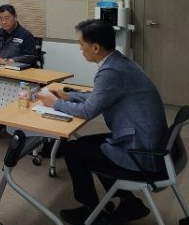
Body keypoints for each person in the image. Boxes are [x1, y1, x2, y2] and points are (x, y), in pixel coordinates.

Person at [39, 19, 166, 225]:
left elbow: (88, 111)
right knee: (87, 146)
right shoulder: (119, 62)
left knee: (73, 151)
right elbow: (99, 97)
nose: (80, 48)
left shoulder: (111, 72)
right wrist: (69, 96)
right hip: (145, 141)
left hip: (140, 151)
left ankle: (92, 211)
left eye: (81, 43)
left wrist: (55, 103)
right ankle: (129, 203)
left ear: (96, 47)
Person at [0, 4, 35, 138]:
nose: (4, 22)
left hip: (14, 77)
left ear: (15, 17)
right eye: (0, 18)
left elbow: (29, 57)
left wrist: (6, 61)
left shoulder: (26, 35)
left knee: (2, 96)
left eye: (7, 18)